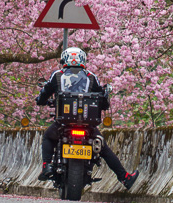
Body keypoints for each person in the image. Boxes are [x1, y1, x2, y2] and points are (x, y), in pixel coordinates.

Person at [35, 46, 139, 191]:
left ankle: (46, 166)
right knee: (103, 148)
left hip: (63, 123)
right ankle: (125, 177)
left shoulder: (57, 75)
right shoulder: (91, 77)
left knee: (48, 137)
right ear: (83, 59)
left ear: (64, 59)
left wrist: (41, 100)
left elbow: (45, 93)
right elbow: (102, 100)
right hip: (87, 125)